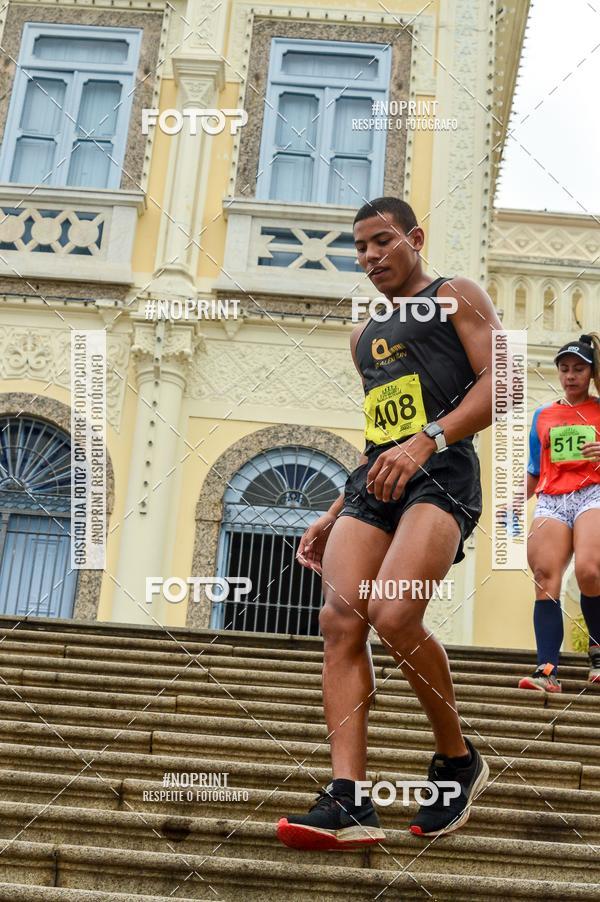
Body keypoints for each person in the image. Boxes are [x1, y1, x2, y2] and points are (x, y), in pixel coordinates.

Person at [276, 196, 501, 850]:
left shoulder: (456, 294)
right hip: (376, 481)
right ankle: (349, 798)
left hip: (442, 470)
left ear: (415, 239)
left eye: (382, 241)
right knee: (339, 619)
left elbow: (504, 382)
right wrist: (333, 511)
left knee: (395, 612)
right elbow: (380, 436)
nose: (370, 255)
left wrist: (429, 439)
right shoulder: (362, 337)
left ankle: (457, 761)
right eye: (361, 247)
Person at [518, 333, 600, 693]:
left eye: (578, 369)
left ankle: (598, 652)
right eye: (564, 368)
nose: (570, 375)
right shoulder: (543, 415)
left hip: (593, 492)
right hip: (553, 498)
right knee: (543, 576)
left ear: (591, 372)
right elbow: (535, 469)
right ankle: (547, 669)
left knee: (589, 570)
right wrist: (515, 501)